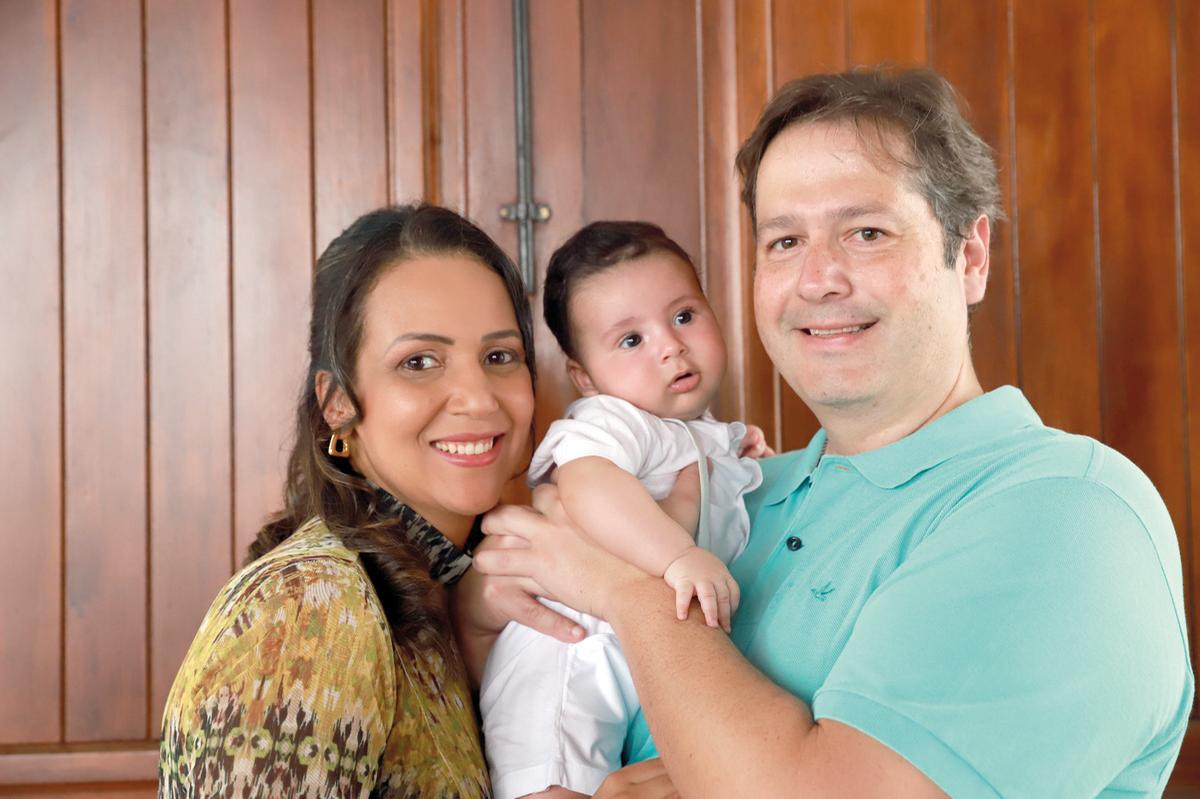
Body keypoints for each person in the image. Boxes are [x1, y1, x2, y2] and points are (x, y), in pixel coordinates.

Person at [469, 67, 1194, 797]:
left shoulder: (1068, 514)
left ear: (969, 255)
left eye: (866, 232)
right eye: (783, 242)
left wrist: (625, 591)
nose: (818, 280)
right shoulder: (736, 495)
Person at [158, 205, 676, 799]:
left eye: (499, 356)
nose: (478, 399)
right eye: (419, 362)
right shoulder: (312, 604)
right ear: (338, 403)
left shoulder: (459, 592)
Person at [478, 221, 770, 799]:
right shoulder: (612, 421)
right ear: (587, 379)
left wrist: (739, 458)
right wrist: (678, 554)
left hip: (628, 648)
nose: (671, 346)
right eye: (631, 340)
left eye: (685, 316)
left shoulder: (692, 431)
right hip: (567, 653)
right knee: (555, 777)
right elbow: (588, 486)